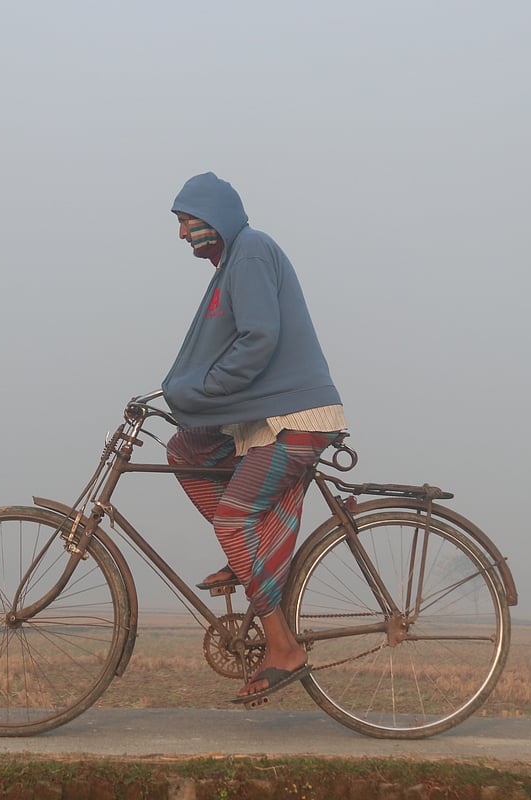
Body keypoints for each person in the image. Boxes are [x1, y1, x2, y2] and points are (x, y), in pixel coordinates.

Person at [161, 172, 348, 704]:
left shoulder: (251, 251)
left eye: (185, 222)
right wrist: (182, 396)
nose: (182, 236)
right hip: (268, 421)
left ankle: (283, 646)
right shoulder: (232, 263)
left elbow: (259, 338)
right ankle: (254, 559)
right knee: (186, 448)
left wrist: (203, 389)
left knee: (230, 518)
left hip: (297, 418)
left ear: (212, 216)